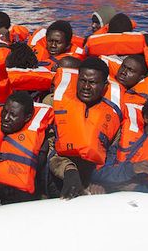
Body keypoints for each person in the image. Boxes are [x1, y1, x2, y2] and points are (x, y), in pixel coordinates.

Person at [50, 57, 123, 198]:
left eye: (93, 83)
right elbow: (50, 147)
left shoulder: (115, 117)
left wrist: (101, 181)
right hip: (60, 176)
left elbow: (114, 154)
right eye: (83, 81)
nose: (86, 87)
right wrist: (69, 171)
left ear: (104, 86)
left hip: (95, 181)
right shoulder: (53, 103)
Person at [0, 91, 54, 205]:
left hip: (21, 201)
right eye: (5, 111)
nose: (6, 118)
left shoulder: (40, 144)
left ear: (27, 118)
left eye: (13, 115)